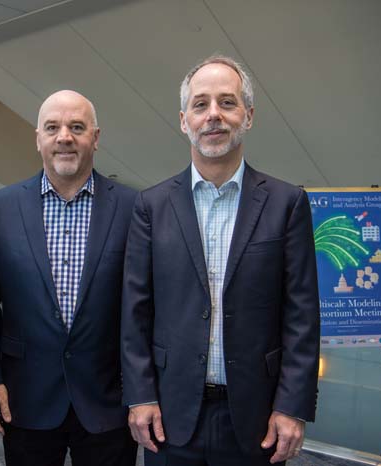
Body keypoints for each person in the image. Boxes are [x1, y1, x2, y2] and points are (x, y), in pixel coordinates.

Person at [121, 55, 320, 466]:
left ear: (248, 115)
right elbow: (135, 312)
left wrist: (291, 405)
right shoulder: (150, 206)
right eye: (201, 104)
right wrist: (140, 395)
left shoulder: (287, 204)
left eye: (227, 103)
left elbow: (302, 315)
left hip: (258, 417)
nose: (214, 115)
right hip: (170, 416)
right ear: (183, 120)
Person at [0, 90, 138, 466]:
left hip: (107, 402)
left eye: (77, 127)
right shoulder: (1, 207)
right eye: (53, 127)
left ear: (95, 138)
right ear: (38, 138)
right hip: (24, 398)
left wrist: (141, 392)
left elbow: (145, 306)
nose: (65, 137)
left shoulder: (133, 208)